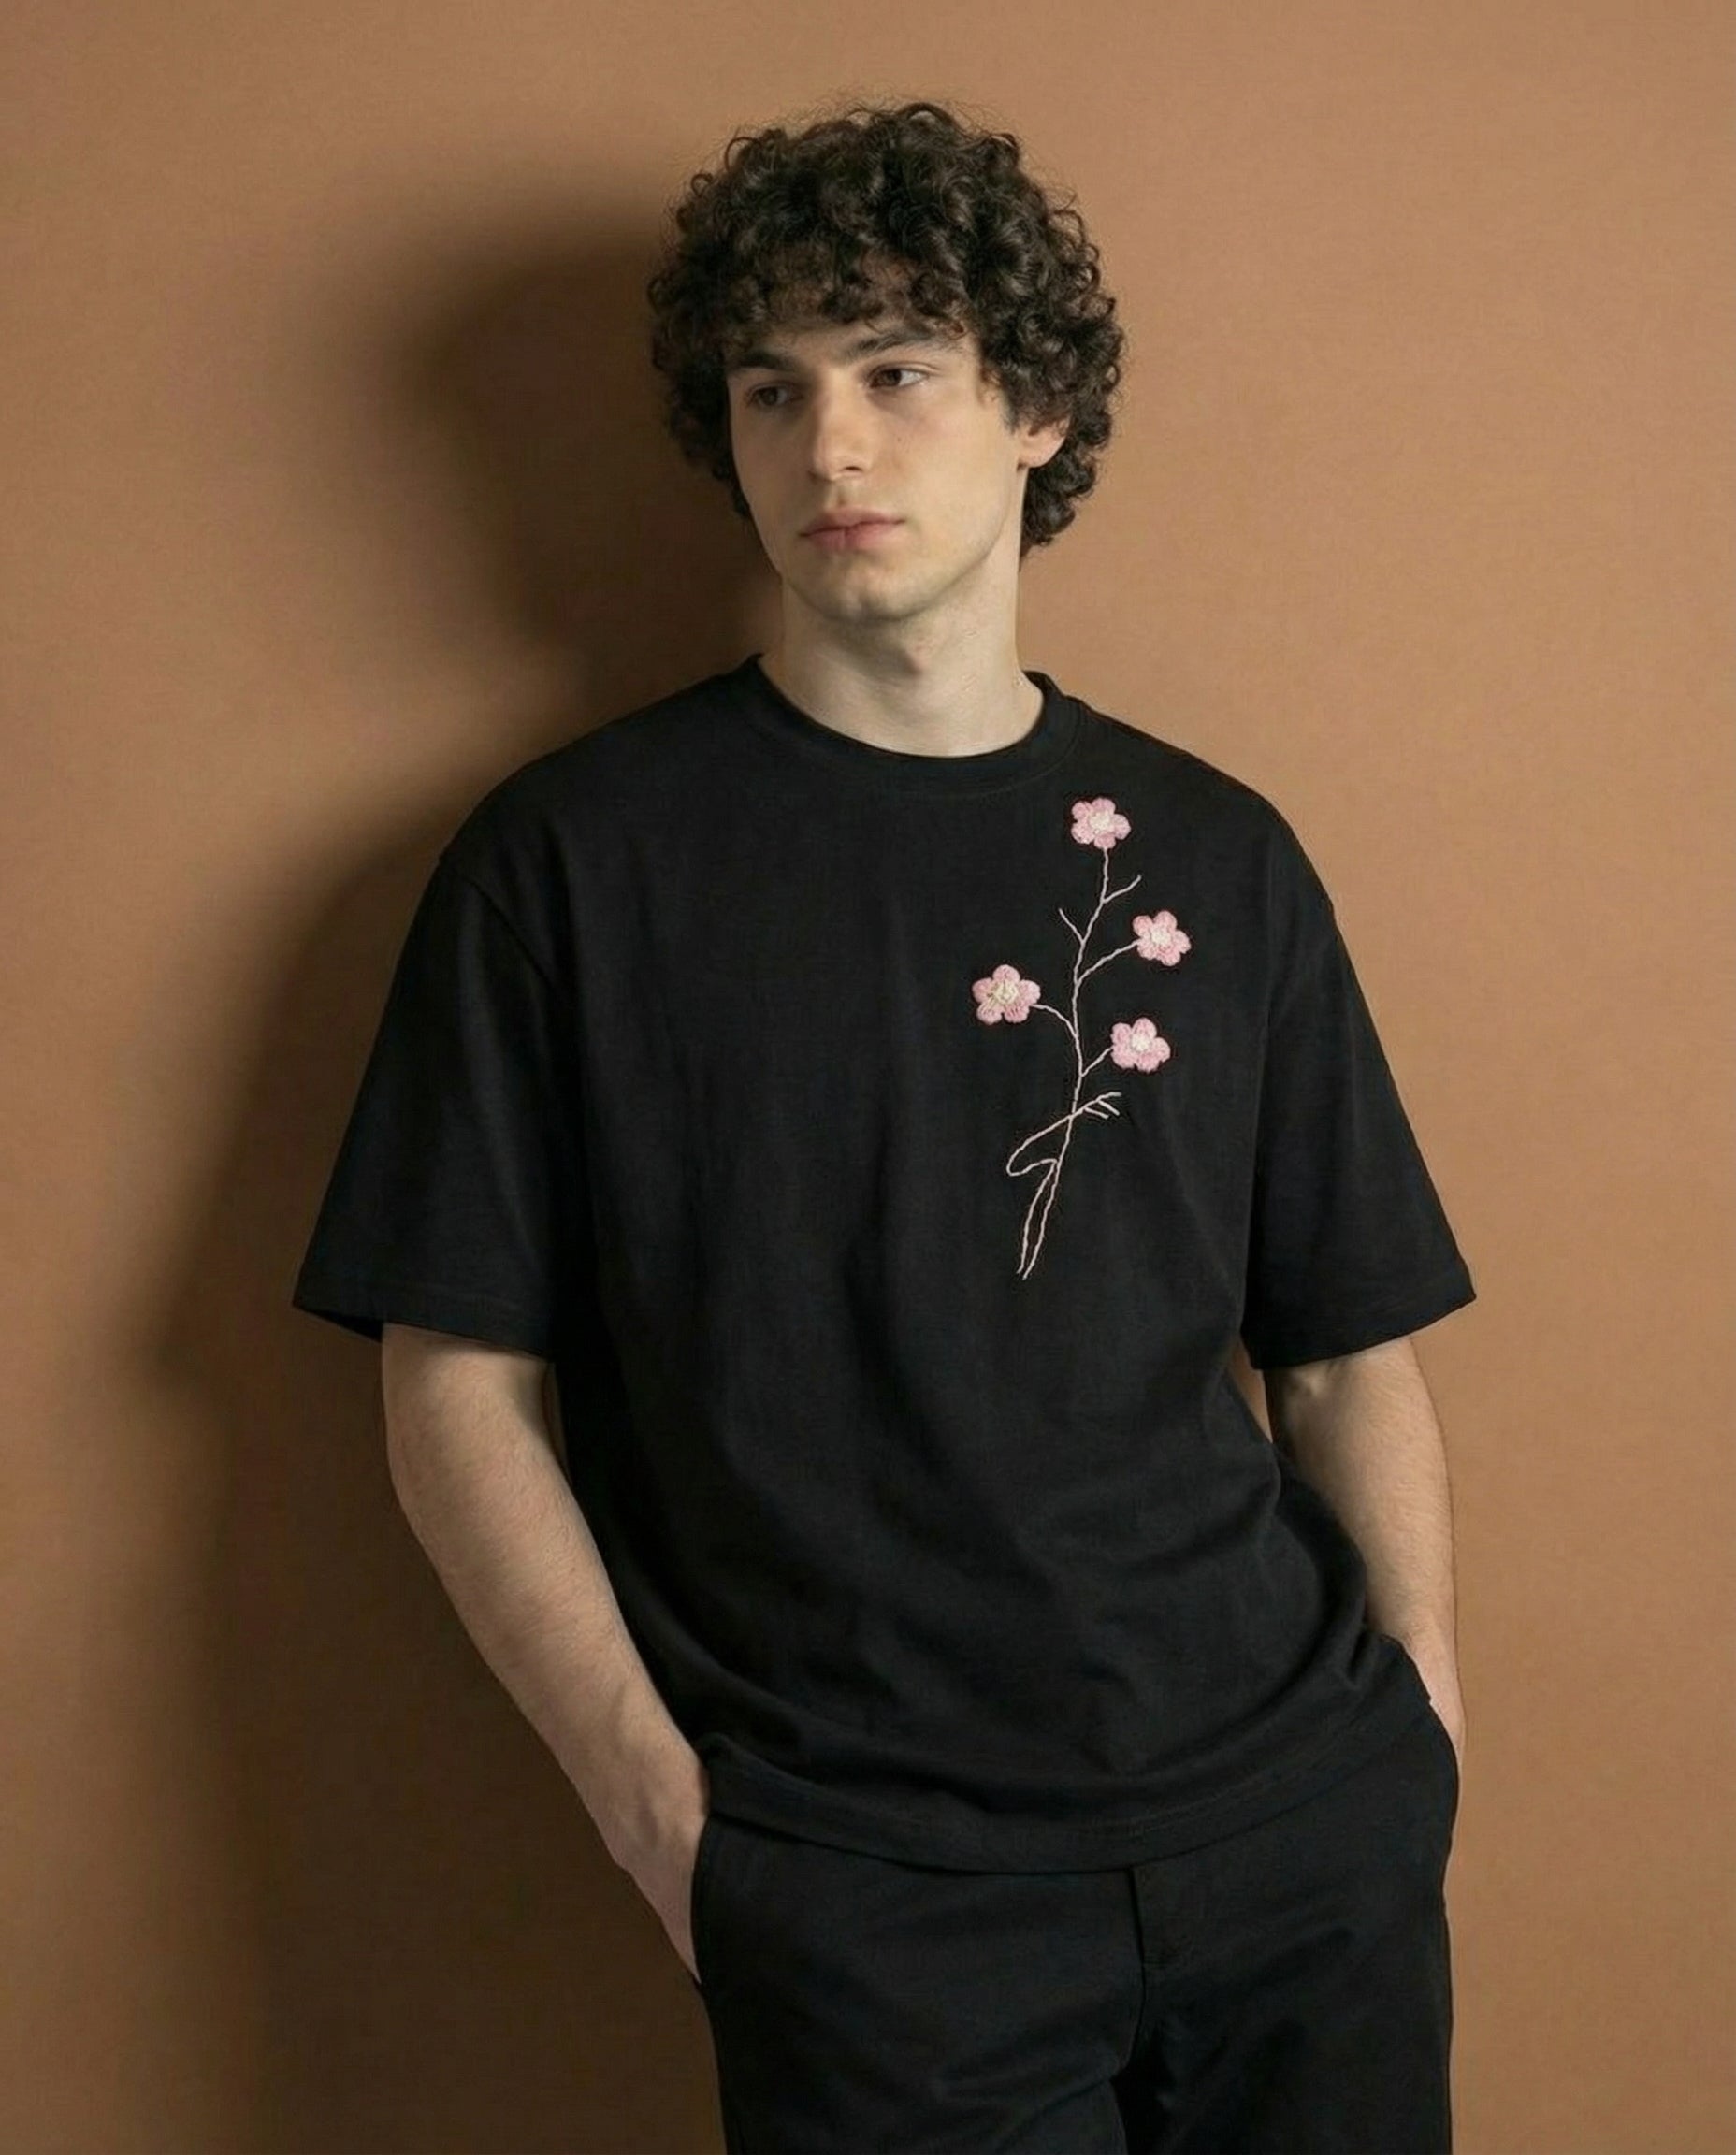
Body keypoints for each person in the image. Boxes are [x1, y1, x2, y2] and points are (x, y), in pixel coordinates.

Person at [293, 95, 1476, 2154]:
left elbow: (1347, 1343)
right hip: (870, 1906)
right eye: (773, 387)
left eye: (898, 370)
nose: (829, 445)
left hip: (1300, 1843)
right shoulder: (567, 868)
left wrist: (1419, 1739)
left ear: (1031, 407)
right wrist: (673, 1830)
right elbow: (453, 1385)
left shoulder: (1218, 852)